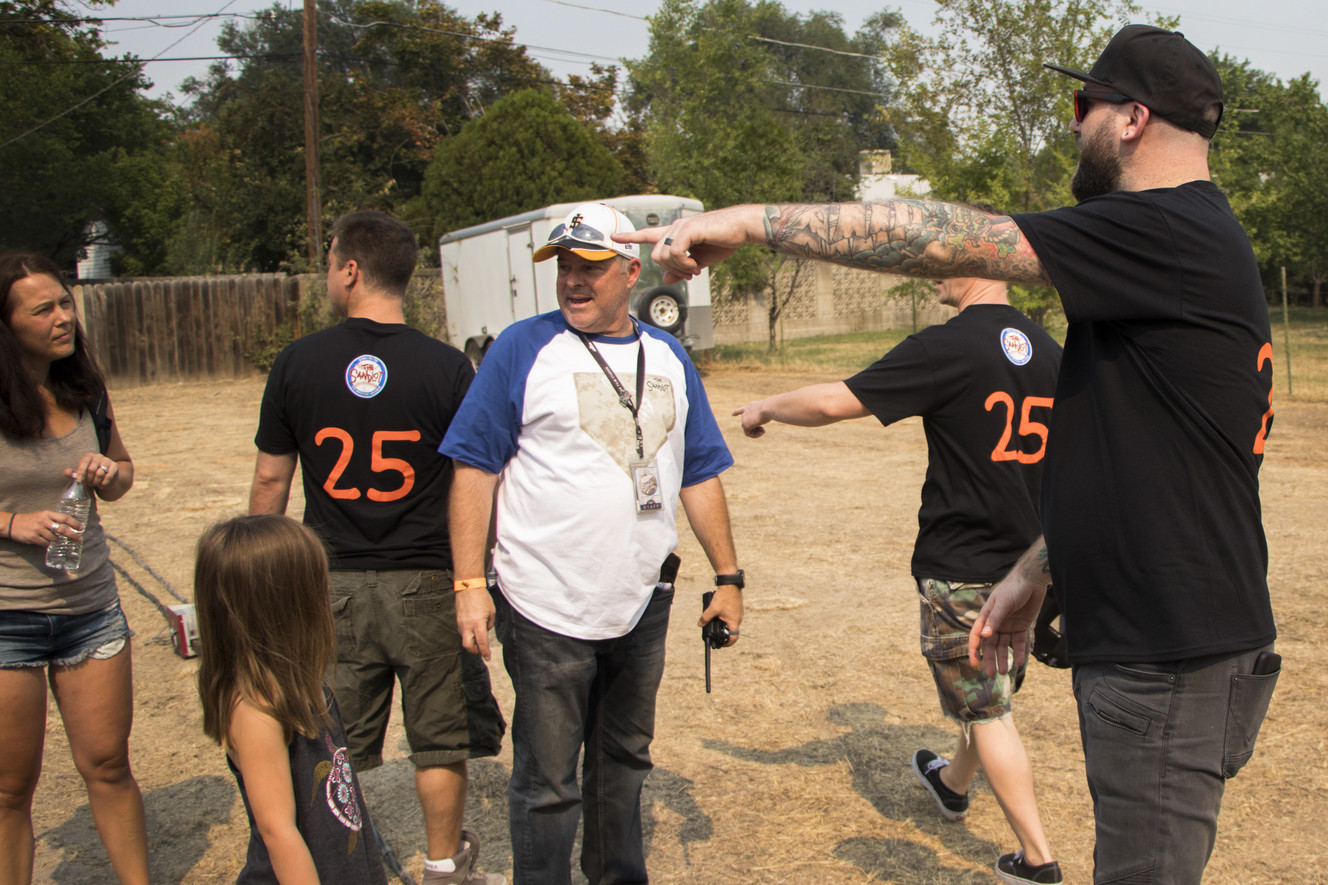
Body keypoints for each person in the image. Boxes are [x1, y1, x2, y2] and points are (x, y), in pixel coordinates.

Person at [619, 25, 1280, 885]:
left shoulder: (1163, 228)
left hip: (1167, 655)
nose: (1071, 124)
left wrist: (748, 222)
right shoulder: (1186, 246)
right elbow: (1165, 469)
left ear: (1132, 120)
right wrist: (1037, 569)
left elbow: (947, 235)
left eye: (1083, 106)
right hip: (1168, 642)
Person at [440, 202, 743, 885]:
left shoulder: (667, 356)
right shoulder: (522, 348)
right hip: (545, 603)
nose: (574, 280)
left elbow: (697, 469)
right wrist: (468, 584)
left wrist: (730, 575)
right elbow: (473, 468)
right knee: (547, 780)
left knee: (625, 759)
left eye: (591, 267)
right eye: (565, 267)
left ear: (632, 272)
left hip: (641, 601)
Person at [732, 259, 1063, 884]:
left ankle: (1038, 861)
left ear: (973, 264)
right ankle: (951, 783)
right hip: (1036, 564)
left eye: (936, 260)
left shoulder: (946, 345)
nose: (925, 271)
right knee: (985, 692)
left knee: (991, 713)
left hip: (965, 565)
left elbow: (835, 402)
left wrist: (767, 405)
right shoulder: (1049, 347)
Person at [248, 211, 505, 885]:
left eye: (329, 260)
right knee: (439, 737)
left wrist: (255, 587)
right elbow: (474, 481)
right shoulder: (447, 366)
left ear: (350, 270)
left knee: (332, 740)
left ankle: (337, 864)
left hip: (326, 582)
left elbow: (271, 481)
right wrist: (476, 576)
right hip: (425, 581)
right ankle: (444, 867)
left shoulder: (297, 362)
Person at [0, 252, 148, 885]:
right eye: (45, 309)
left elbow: (122, 475)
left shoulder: (85, 387)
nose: (64, 317)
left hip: (91, 608)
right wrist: (12, 524)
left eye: (65, 302)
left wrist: (109, 475)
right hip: (7, 617)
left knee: (109, 764)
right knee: (10, 789)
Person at [195, 514, 389, 885]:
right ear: (287, 604)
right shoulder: (256, 712)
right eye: (318, 584)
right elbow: (278, 832)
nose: (327, 593)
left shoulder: (303, 683)